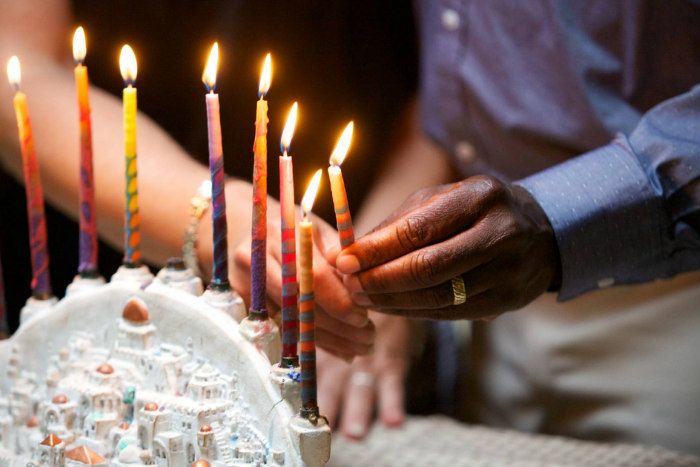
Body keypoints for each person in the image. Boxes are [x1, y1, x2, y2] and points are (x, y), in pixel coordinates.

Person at [317, 0, 700, 456]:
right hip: (497, 319)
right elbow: (450, 93)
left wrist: (554, 220)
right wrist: (378, 273)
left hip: (673, 307)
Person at [0, 0, 396, 357]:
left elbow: (435, 87)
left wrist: (388, 269)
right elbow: (20, 66)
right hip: (109, 250)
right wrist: (224, 218)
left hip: (358, 217)